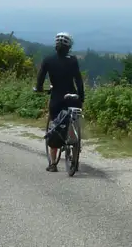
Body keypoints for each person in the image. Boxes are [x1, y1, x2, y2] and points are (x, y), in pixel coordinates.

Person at [34, 32, 85, 172]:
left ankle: (53, 164)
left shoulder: (48, 60)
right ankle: (74, 158)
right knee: (72, 121)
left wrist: (39, 89)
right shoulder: (73, 60)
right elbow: (79, 81)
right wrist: (81, 97)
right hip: (73, 98)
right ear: (69, 47)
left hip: (56, 98)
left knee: (54, 126)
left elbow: (40, 78)